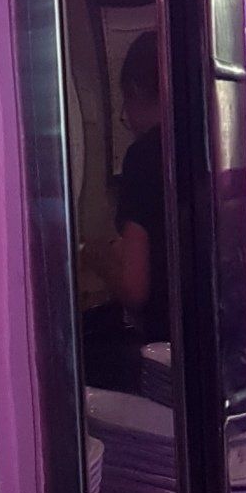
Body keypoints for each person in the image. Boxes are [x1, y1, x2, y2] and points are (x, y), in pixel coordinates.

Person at [82, 30, 169, 391]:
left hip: (166, 358)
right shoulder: (220, 137)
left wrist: (95, 258)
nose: (126, 119)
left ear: (134, 91)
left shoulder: (144, 156)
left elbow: (135, 289)